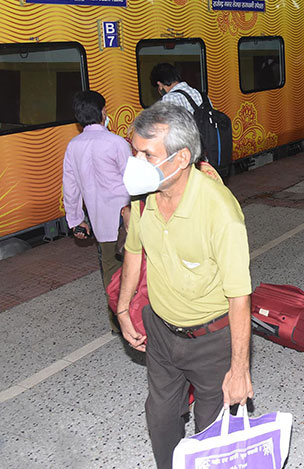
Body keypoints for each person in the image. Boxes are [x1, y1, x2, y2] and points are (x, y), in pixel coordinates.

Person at [118, 102, 253, 467]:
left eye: (147, 155)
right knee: (161, 418)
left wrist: (239, 369)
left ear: (180, 159)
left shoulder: (220, 212)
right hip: (161, 331)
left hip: (212, 340)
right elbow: (134, 251)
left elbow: (240, 296)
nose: (136, 163)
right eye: (134, 152)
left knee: (212, 433)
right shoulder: (144, 198)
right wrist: (123, 308)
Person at [62, 91, 131, 333]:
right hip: (125, 219)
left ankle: (117, 323)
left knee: (111, 273)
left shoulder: (73, 146)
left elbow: (70, 188)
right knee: (137, 269)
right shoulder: (117, 143)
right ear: (103, 112)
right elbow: (133, 181)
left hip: (100, 222)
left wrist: (76, 220)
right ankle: (140, 317)